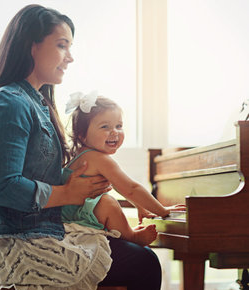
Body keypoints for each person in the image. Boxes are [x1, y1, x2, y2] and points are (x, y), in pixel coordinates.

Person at [0, 4, 163, 290]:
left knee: (136, 256)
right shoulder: (11, 102)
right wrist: (68, 194)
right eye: (61, 45)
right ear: (32, 46)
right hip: (17, 241)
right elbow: (3, 187)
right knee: (145, 264)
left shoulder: (34, 101)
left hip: (34, 229)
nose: (70, 57)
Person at [61, 92, 186, 246]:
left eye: (119, 126)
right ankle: (131, 235)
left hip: (69, 216)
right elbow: (130, 188)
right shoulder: (98, 159)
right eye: (105, 127)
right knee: (108, 203)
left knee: (106, 201)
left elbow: (121, 187)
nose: (115, 132)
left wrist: (140, 207)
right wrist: (162, 210)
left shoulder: (82, 155)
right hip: (76, 217)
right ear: (82, 135)